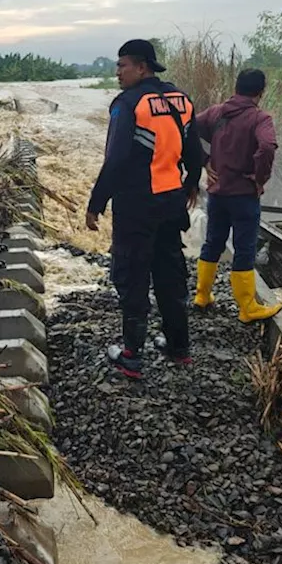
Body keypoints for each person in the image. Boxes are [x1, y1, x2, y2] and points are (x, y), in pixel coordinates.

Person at [86, 39, 203, 379]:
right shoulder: (181, 99)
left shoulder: (128, 104)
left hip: (137, 205)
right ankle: (179, 348)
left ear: (141, 67)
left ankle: (131, 355)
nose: (117, 72)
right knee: (170, 274)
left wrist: (96, 203)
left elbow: (117, 159)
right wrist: (192, 182)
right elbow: (194, 149)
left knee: (133, 274)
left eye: (122, 65)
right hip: (171, 202)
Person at [191, 68, 281, 323]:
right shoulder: (259, 119)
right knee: (244, 248)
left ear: (236, 87)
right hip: (243, 194)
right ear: (261, 92)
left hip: (217, 194)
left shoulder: (217, 112)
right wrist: (259, 177)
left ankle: (202, 295)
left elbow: (186, 128)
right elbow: (266, 146)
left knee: (213, 242)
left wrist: (204, 161)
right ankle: (247, 307)